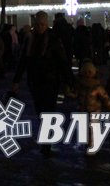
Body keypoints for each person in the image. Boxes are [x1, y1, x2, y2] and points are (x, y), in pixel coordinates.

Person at [12, 11, 75, 157]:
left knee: (48, 111)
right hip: (35, 82)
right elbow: (23, 61)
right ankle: (47, 138)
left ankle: (46, 145)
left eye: (43, 25)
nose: (40, 27)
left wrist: (69, 80)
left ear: (47, 25)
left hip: (50, 81)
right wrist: (16, 80)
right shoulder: (30, 39)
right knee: (41, 112)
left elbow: (62, 61)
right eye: (38, 24)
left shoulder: (53, 39)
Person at [70, 60, 110, 154]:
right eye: (85, 72)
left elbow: (104, 96)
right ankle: (88, 143)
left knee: (93, 128)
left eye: (89, 72)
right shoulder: (79, 84)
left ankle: (92, 145)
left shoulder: (97, 86)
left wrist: (109, 106)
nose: (87, 74)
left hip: (94, 110)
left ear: (93, 72)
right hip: (83, 110)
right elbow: (75, 94)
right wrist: (70, 94)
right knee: (85, 128)